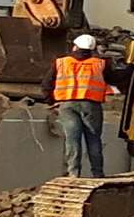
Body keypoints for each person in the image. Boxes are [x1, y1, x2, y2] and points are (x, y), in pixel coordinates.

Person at [43, 33, 128, 178]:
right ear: (92, 49)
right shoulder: (100, 64)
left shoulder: (61, 63)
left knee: (72, 139)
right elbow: (116, 78)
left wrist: (51, 101)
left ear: (75, 46)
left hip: (67, 106)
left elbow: (46, 84)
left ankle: (73, 173)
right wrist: (133, 67)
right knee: (93, 140)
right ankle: (97, 173)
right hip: (91, 106)